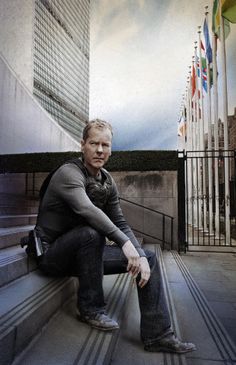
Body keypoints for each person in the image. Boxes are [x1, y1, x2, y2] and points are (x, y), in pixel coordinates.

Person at [35, 119, 196, 354]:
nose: (100, 150)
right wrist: (123, 243)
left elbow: (119, 221)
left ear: (110, 148)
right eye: (94, 143)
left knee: (148, 259)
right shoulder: (68, 173)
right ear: (82, 145)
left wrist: (137, 252)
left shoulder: (107, 180)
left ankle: (158, 335)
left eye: (105, 145)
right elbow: (88, 211)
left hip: (84, 255)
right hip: (53, 255)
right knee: (91, 232)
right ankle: (91, 309)